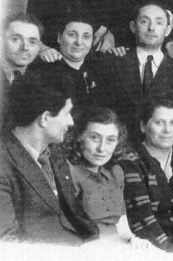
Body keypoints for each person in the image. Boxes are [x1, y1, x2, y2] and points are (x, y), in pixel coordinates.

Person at [0, 72, 98, 244]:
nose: (71, 122)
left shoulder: (55, 156)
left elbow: (79, 220)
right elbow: (4, 245)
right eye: (67, 113)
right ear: (45, 118)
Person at [118, 90, 173, 253]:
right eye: (159, 123)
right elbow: (143, 222)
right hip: (146, 248)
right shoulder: (130, 162)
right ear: (143, 125)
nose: (167, 130)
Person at [94, 3, 173, 142]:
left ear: (168, 29)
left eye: (159, 22)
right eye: (144, 21)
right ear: (133, 26)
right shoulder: (111, 62)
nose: (151, 28)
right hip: (117, 149)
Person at [65, 106, 151, 248]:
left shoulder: (115, 172)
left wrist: (132, 239)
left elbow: (121, 221)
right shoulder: (70, 172)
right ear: (79, 136)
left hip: (118, 244)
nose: (102, 148)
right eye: (94, 138)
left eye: (110, 140)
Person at [29, 15, 101, 108]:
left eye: (86, 37)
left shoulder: (98, 68)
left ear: (92, 41)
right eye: (72, 35)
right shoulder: (44, 72)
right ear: (59, 38)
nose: (79, 42)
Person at [0, 13, 43, 138]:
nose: (25, 47)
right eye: (15, 39)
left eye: (32, 42)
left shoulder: (43, 78)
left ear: (39, 47)